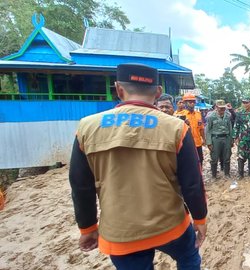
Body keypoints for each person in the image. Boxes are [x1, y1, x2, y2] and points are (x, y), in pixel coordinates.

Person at [68, 63, 207, 269]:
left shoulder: (87, 127)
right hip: (169, 225)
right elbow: (192, 183)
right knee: (189, 258)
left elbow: (80, 185)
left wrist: (87, 227)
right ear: (158, 92)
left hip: (120, 232)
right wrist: (200, 219)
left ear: (118, 88)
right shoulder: (176, 128)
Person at [205, 100, 234, 178]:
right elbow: (207, 130)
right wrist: (209, 142)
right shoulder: (211, 117)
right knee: (214, 157)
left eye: (223, 108)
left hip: (226, 138)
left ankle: (227, 173)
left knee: (227, 156)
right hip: (216, 139)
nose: (222, 110)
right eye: (220, 108)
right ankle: (214, 175)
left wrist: (231, 140)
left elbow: (230, 128)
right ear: (216, 107)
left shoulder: (227, 116)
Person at [178, 92, 206, 165]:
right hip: (186, 144)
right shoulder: (180, 115)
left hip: (197, 143)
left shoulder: (198, 114)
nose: (192, 104)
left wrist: (204, 139)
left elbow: (201, 128)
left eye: (193, 102)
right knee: (188, 162)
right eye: (190, 102)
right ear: (185, 103)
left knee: (200, 161)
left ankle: (199, 176)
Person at [233, 97, 250, 179]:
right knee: (241, 156)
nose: (245, 104)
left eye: (247, 102)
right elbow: (236, 126)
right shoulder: (240, 114)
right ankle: (241, 174)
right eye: (244, 102)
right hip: (242, 138)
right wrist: (235, 137)